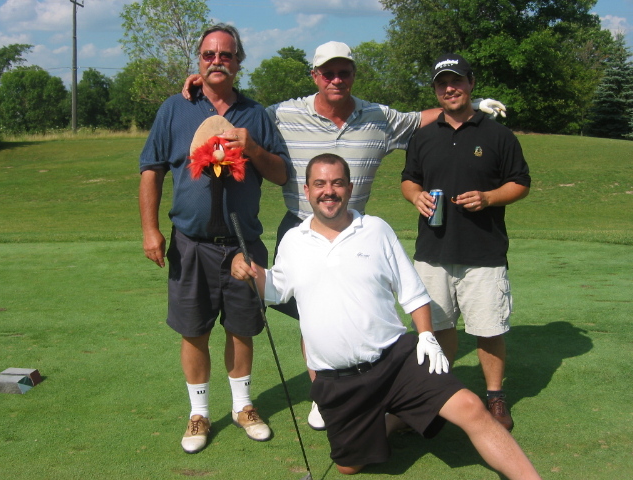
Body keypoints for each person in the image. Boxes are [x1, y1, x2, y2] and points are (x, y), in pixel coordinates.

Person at [182, 41, 506, 430]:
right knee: (312, 318)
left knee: (355, 313)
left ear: (353, 75)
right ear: (315, 76)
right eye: (327, 73)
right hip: (300, 229)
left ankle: (366, 385)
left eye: (344, 72)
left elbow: (419, 119)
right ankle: (323, 395)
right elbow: (240, 110)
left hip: (355, 230)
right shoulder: (282, 114)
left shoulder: (378, 116)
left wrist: (472, 106)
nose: (336, 79)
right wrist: (208, 84)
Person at [231, 154, 540, 478]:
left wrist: (426, 336)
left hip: (396, 360)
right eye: (320, 184)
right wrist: (246, 267)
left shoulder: (376, 230)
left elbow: (413, 292)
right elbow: (275, 290)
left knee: (471, 408)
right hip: (338, 380)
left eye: (337, 183)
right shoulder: (294, 240)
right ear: (307, 191)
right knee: (348, 466)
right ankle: (395, 417)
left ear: (350, 188)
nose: (329, 191)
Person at [139, 23, 289, 454]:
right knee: (194, 330)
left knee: (241, 329)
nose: (217, 60)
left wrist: (253, 147)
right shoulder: (175, 108)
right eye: (209, 54)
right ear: (199, 61)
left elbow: (281, 174)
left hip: (243, 244)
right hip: (191, 242)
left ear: (239, 61)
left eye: (226, 54)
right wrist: (150, 229)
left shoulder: (255, 114)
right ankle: (199, 413)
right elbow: (151, 169)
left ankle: (243, 406)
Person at [401, 53, 531, 431]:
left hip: (483, 251)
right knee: (437, 329)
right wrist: (415, 196)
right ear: (435, 90)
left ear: (471, 83)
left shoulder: (498, 135)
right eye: (442, 83)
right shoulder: (423, 137)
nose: (450, 88)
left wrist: (489, 198)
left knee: (488, 330)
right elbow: (409, 179)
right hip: (433, 252)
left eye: (456, 81)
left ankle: (495, 397)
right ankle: (438, 395)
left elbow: (520, 183)